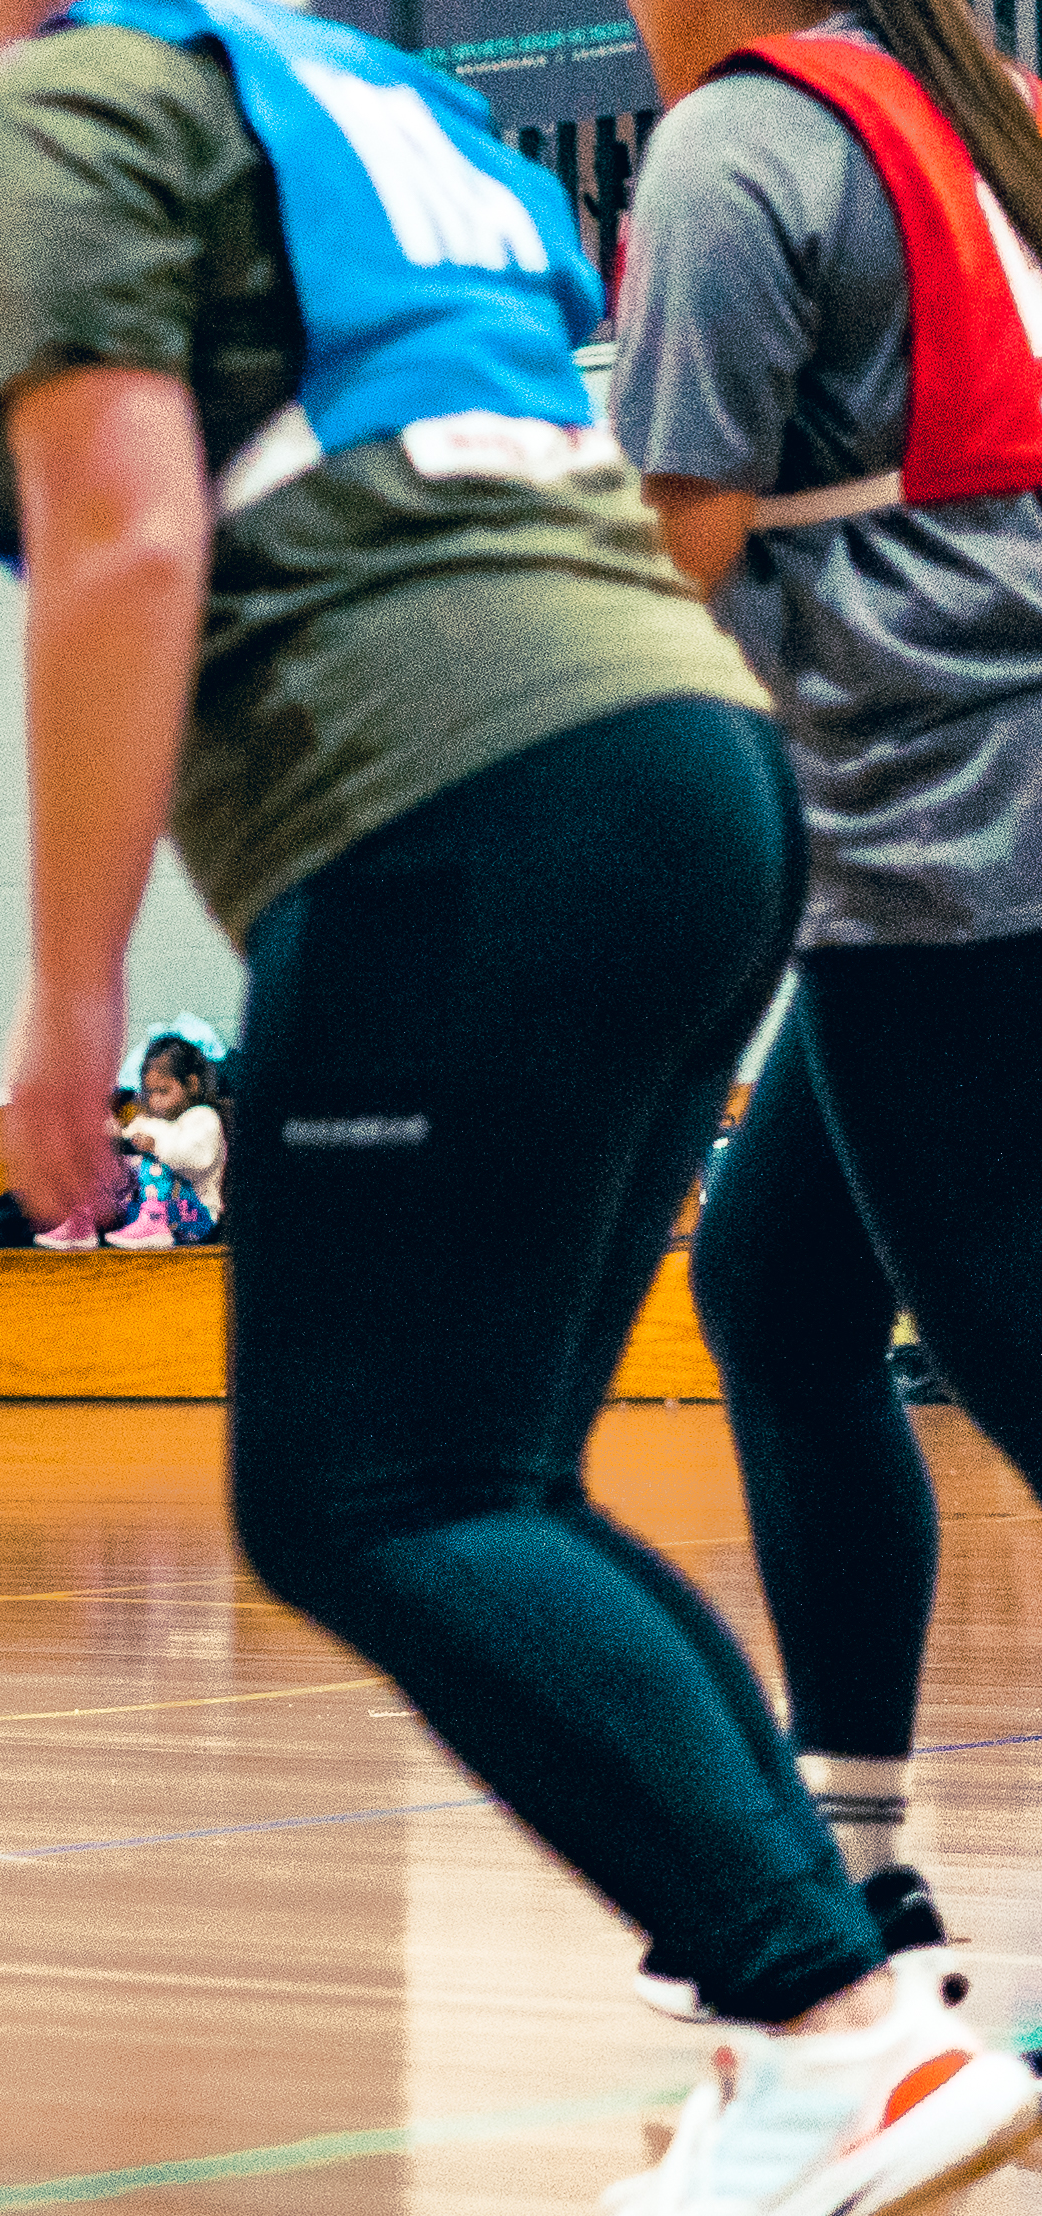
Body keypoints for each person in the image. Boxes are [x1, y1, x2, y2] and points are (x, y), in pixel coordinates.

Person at [0, 0, 1036, 2198]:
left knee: (369, 1491)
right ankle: (818, 1996)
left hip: (467, 803)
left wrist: (65, 998)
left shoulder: (62, 111)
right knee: (498, 1471)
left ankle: (831, 2019)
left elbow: (124, 547)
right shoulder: (390, 95)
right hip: (704, 781)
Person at [609, 0, 1042, 2057]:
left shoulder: (729, 157)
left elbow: (667, 553)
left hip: (950, 853)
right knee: (780, 1295)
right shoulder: (977, 114)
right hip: (980, 823)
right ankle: (855, 1864)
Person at [103, 1033, 223, 1248]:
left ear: (192, 1084)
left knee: (154, 1166)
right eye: (150, 1092)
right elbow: (126, 1138)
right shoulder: (151, 1123)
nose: (155, 1101)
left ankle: (153, 1224)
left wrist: (155, 1146)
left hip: (197, 1216)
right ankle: (86, 1223)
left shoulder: (203, 1117)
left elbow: (197, 1159)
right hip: (160, 1216)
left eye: (163, 1091)